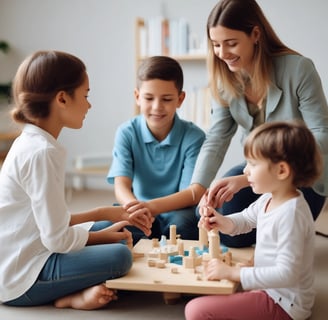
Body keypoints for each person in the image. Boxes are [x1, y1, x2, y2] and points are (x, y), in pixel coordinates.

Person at [0, 50, 153, 310]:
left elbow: (50, 222)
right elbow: (56, 239)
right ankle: (70, 297)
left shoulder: (33, 141)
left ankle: (78, 284)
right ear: (62, 98)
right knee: (119, 255)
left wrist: (106, 214)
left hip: (34, 247)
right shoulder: (41, 153)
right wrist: (104, 237)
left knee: (121, 219)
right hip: (21, 277)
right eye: (85, 95)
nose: (89, 104)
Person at [191, 0, 328, 248]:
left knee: (277, 226)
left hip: (302, 173)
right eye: (216, 45)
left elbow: (322, 135)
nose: (222, 53)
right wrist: (199, 189)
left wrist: (245, 179)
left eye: (231, 43)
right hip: (255, 170)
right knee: (218, 219)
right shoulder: (223, 78)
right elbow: (217, 138)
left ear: (255, 34)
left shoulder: (299, 69)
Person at [185, 120, 322, 320]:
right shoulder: (270, 198)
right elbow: (245, 220)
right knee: (208, 292)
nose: (245, 171)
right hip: (268, 288)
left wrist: (233, 274)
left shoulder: (292, 215)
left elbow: (287, 274)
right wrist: (220, 221)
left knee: (196, 311)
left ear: (282, 171)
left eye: (253, 163)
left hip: (283, 304)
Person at [107, 56, 206, 242]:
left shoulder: (194, 137)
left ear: (180, 99)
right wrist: (136, 209)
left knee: (185, 226)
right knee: (116, 228)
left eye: (167, 99)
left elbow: (192, 194)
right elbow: (121, 185)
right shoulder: (126, 132)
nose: (157, 107)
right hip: (138, 208)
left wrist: (150, 207)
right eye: (149, 98)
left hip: (177, 211)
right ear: (137, 97)